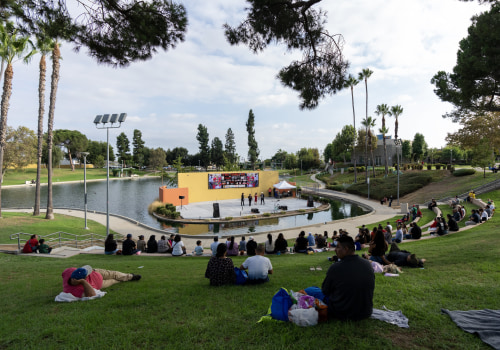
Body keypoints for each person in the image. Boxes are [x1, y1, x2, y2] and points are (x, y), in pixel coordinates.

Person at [321, 236, 375, 321]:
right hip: (366, 312)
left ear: (346, 249)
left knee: (313, 290)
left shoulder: (335, 267)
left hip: (342, 313)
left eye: (338, 247)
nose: (335, 250)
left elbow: (325, 290)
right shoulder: (367, 264)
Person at [62, 265, 141, 298]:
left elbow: (63, 274)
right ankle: (127, 277)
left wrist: (92, 271)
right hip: (101, 284)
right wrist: (83, 282)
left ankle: (130, 276)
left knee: (115, 274)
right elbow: (91, 295)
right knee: (115, 280)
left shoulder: (70, 271)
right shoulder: (73, 291)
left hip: (98, 272)